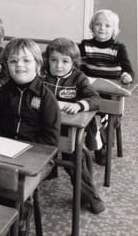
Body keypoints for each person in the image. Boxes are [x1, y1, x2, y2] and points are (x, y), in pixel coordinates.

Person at [0, 38, 60, 236]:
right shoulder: (1, 93)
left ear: (38, 64)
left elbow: (50, 140)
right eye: (13, 61)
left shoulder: (46, 98)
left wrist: (22, 151)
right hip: (3, 151)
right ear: (7, 65)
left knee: (13, 182)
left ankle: (22, 207)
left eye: (26, 61)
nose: (20, 65)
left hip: (36, 157)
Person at [41, 38, 104, 213]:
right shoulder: (42, 76)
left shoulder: (78, 78)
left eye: (65, 61)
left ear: (73, 62)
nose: (58, 66)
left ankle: (91, 196)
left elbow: (96, 99)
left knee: (74, 161)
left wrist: (79, 105)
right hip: (45, 127)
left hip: (68, 131)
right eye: (54, 60)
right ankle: (49, 172)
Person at [78, 9, 133, 165]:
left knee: (108, 117)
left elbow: (129, 70)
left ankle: (103, 147)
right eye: (98, 24)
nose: (102, 28)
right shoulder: (85, 45)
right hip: (90, 90)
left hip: (110, 92)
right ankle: (94, 143)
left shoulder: (118, 48)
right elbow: (77, 66)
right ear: (92, 26)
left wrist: (127, 76)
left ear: (114, 30)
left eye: (107, 26)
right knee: (86, 114)